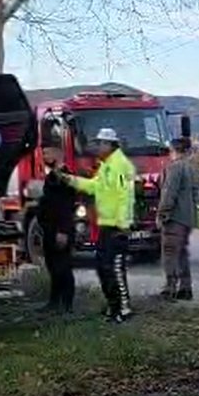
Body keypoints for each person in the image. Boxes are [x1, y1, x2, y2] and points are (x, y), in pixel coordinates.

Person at [62, 128, 137, 323]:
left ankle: (123, 308)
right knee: (103, 267)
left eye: (101, 143)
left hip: (116, 226)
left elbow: (125, 196)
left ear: (110, 145)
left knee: (115, 268)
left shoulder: (119, 165)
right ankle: (113, 306)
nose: (98, 147)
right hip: (106, 224)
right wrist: (70, 180)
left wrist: (123, 224)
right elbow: (95, 186)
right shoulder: (107, 165)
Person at [37, 145, 77, 313]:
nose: (44, 156)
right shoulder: (52, 176)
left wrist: (63, 231)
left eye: (47, 153)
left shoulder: (65, 177)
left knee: (63, 267)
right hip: (50, 228)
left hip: (61, 229)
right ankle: (54, 302)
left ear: (57, 154)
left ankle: (67, 305)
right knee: (53, 266)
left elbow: (66, 207)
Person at [157, 137, 196, 300]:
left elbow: (169, 192)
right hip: (187, 217)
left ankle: (170, 287)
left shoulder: (175, 167)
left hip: (175, 217)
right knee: (181, 253)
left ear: (173, 150)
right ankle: (185, 287)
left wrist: (162, 213)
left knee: (170, 252)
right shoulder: (189, 167)